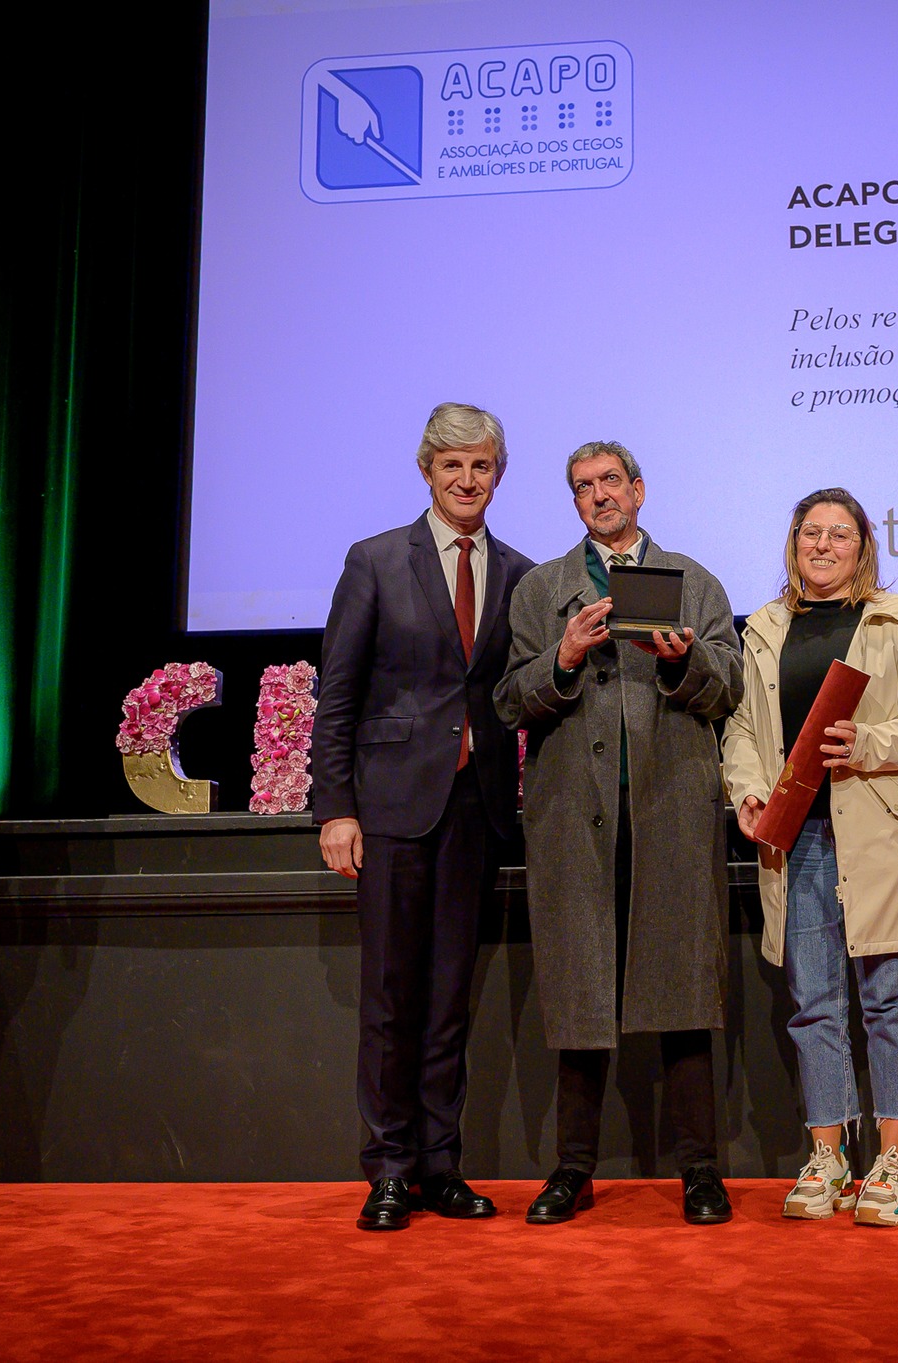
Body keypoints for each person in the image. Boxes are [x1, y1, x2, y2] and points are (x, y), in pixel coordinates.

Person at [494, 440, 743, 1225]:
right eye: (582, 488)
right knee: (580, 989)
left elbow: (730, 684)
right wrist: (562, 658)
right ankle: (571, 1169)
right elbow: (509, 699)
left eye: (610, 482)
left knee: (683, 990)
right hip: (576, 816)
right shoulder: (542, 588)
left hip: (669, 808)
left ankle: (699, 1169)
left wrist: (683, 660)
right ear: (574, 504)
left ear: (639, 489)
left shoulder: (693, 581)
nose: (599, 496)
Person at [311, 402, 535, 1231]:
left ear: (497, 475)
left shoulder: (518, 570)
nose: (466, 480)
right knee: (392, 996)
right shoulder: (374, 560)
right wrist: (335, 808)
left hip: (477, 812)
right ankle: (390, 1168)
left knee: (448, 1000)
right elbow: (336, 695)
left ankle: (442, 1164)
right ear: (427, 472)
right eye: (452, 467)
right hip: (393, 809)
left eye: (480, 466)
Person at [720, 488, 898, 1227]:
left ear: (863, 548)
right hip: (799, 841)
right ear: (793, 543)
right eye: (810, 533)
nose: (823, 545)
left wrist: (868, 744)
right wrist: (749, 792)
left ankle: (894, 1162)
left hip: (881, 834)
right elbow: (740, 730)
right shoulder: (760, 628)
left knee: (889, 1002)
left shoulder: (896, 621)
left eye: (839, 534)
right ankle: (828, 1155)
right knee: (813, 1005)